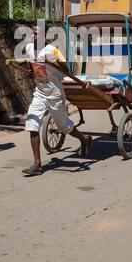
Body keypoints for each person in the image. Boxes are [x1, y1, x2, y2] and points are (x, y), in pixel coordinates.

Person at [22, 24, 92, 176]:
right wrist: (31, 71)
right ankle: (37, 164)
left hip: (55, 94)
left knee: (65, 127)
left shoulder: (52, 51)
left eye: (37, 34)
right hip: (40, 93)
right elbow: (30, 66)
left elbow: (67, 70)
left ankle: (84, 139)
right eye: (32, 33)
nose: (34, 37)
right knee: (32, 124)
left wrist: (54, 62)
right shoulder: (28, 48)